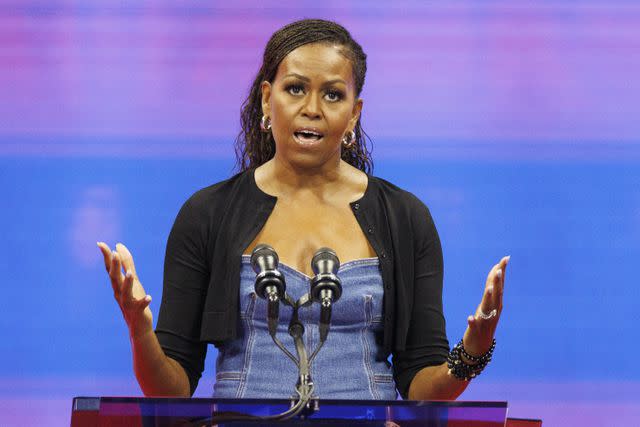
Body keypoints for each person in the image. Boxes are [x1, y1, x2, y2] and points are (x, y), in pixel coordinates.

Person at [98, 19, 508, 401]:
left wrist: (473, 352)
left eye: (333, 94)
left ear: (354, 114)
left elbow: (422, 387)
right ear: (266, 98)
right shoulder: (207, 213)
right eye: (295, 88)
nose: (312, 107)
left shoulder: (405, 217)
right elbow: (171, 390)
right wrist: (139, 329)